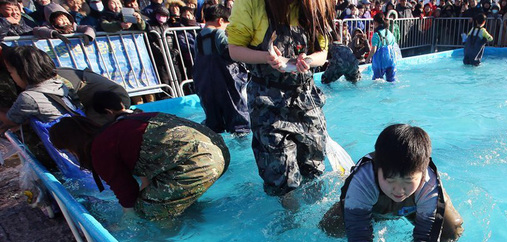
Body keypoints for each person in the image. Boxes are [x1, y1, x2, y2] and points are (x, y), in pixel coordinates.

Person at [319, 124, 464, 242]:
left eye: (407, 181)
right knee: (330, 228)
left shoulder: (429, 185)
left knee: (450, 232)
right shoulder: (363, 180)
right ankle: (379, 213)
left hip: (415, 205)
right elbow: (360, 240)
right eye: (390, 180)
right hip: (374, 205)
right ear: (377, 168)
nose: (398, 190)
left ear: (422, 171)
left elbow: (427, 239)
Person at [48, 93, 230, 220]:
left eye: (67, 150)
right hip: (219, 150)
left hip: (202, 163)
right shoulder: (122, 127)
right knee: (160, 198)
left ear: (73, 145)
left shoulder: (100, 149)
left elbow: (128, 198)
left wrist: (126, 228)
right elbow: (146, 179)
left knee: (147, 212)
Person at [226, 0, 334, 196]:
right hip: (267, 102)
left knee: (314, 165)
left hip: (307, 99)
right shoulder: (252, 3)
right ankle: (291, 220)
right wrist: (266, 57)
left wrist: (308, 60)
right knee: (281, 175)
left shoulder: (317, 4)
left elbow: (322, 52)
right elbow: (234, 50)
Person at [193, 5, 250, 134]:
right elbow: (231, 54)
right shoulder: (219, 34)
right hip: (226, 83)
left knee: (214, 122)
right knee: (238, 121)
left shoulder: (199, 37)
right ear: (220, 21)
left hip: (205, 84)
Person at [366, 12, 398, 82]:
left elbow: (374, 50)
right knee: (391, 80)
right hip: (391, 60)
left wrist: (367, 59)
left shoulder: (376, 35)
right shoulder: (389, 32)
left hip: (380, 62)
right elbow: (393, 45)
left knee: (377, 81)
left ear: (375, 23)